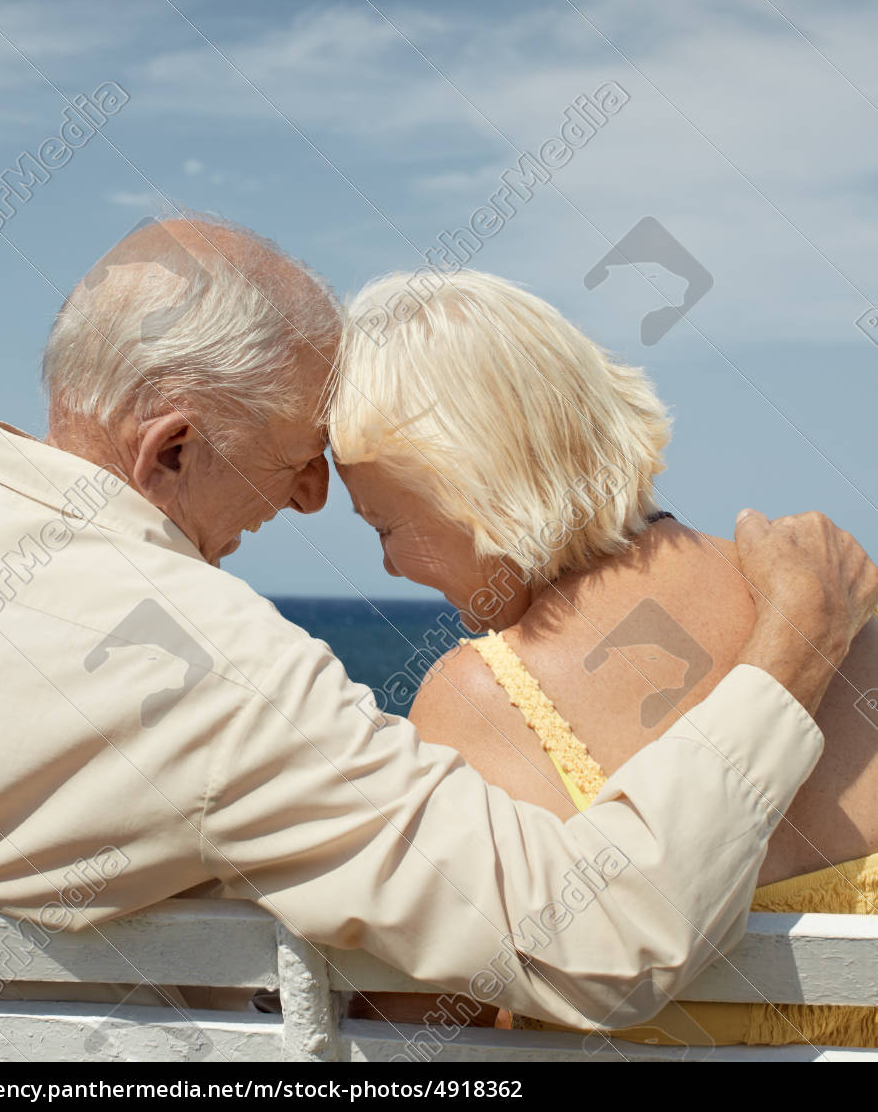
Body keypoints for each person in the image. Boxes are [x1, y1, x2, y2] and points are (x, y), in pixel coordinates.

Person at [0, 217, 874, 1038]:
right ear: (176, 448)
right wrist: (794, 648)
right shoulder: (220, 669)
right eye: (296, 460)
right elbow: (599, 938)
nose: (309, 504)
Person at [329, 266, 878, 1045]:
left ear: (471, 483)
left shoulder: (485, 698)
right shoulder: (839, 606)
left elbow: (419, 1034)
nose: (387, 566)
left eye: (384, 525)